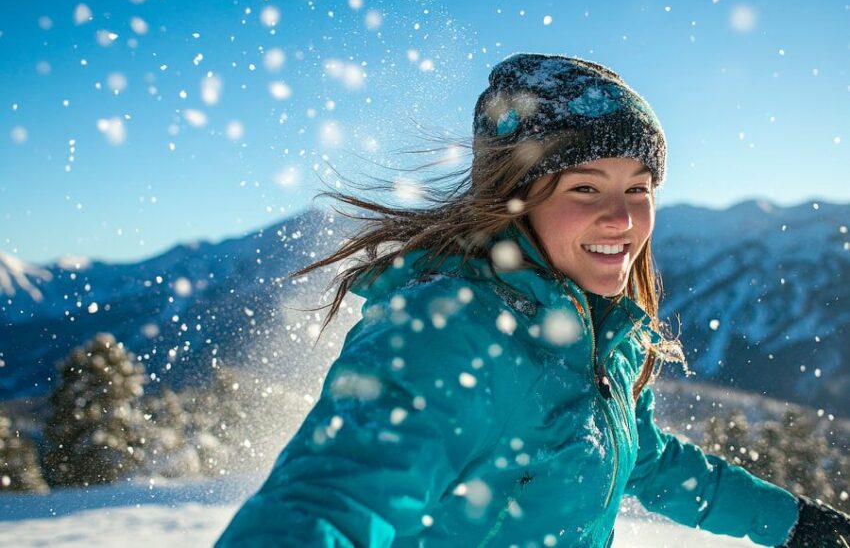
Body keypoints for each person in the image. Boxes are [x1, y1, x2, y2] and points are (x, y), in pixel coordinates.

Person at [216, 53, 850, 547]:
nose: (621, 218)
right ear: (516, 195)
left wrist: (792, 523)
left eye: (638, 188)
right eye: (584, 187)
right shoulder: (451, 330)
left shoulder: (597, 333)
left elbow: (643, 458)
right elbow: (330, 500)